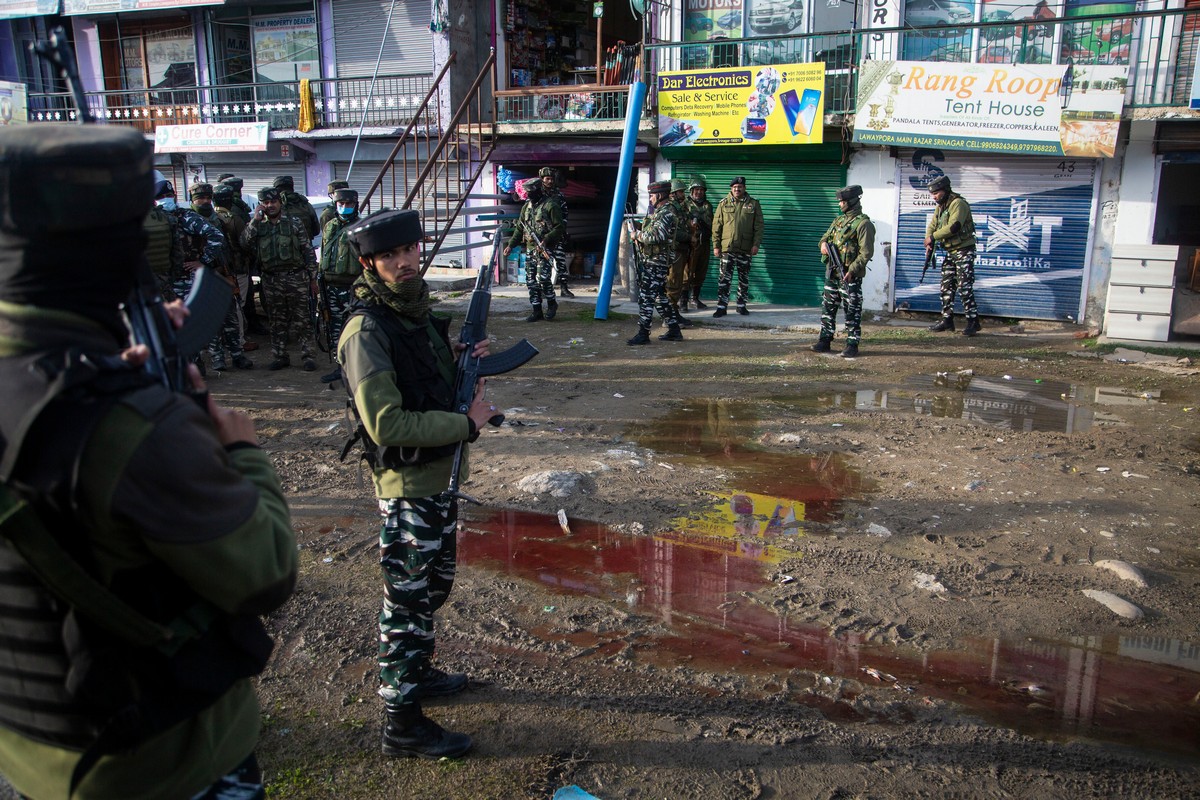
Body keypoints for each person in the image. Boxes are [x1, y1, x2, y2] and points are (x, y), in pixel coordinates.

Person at [0, 124, 296, 800]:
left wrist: (98, 361)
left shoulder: (50, 380)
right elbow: (264, 573)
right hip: (150, 759)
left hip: (27, 745)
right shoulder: (129, 426)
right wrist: (241, 450)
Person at [337, 208, 494, 760]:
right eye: (390, 257)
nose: (405, 263)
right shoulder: (367, 330)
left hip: (438, 480)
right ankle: (400, 721)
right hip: (407, 485)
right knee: (405, 602)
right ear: (368, 263)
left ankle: (418, 674)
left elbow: (423, 376)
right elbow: (387, 423)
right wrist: (465, 424)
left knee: (431, 589)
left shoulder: (415, 313)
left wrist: (457, 359)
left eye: (410, 252)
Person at [241, 186, 319, 371]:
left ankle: (308, 356)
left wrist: (312, 278)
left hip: (296, 277)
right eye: (266, 203)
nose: (270, 206)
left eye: (273, 202)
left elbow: (307, 250)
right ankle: (280, 356)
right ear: (261, 205)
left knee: (302, 319)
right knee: (276, 320)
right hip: (270, 279)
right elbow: (244, 244)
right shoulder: (258, 225)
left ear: (280, 202)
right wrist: (255, 220)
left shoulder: (294, 222)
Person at [191, 182, 252, 371]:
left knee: (231, 317)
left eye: (208, 198)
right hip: (202, 277)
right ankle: (217, 357)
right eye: (201, 198)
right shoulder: (188, 220)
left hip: (224, 273)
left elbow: (229, 247)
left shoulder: (220, 220)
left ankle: (236, 355)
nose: (205, 202)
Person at [812, 185, 875, 359]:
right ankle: (825, 340)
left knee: (852, 310)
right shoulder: (838, 221)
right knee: (828, 308)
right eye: (840, 201)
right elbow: (824, 238)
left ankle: (852, 344)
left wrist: (853, 270)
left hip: (849, 275)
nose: (840, 204)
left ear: (853, 201)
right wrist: (823, 245)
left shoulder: (864, 224)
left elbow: (866, 252)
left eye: (843, 201)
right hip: (832, 273)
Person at [627, 179, 683, 345]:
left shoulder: (666, 213)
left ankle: (643, 333)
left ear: (660, 195)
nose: (650, 198)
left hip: (657, 262)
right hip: (653, 260)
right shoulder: (659, 212)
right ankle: (674, 330)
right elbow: (653, 231)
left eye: (652, 195)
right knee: (660, 298)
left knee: (646, 298)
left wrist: (637, 235)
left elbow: (657, 236)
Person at [925, 174, 980, 336]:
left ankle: (973, 321)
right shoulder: (941, 207)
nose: (934, 197)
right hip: (951, 251)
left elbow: (954, 227)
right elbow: (933, 225)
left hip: (964, 250)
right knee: (946, 286)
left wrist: (933, 237)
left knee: (964, 287)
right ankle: (947, 320)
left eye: (936, 193)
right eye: (932, 194)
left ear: (945, 190)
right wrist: (929, 239)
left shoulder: (958, 204)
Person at [504, 177, 564, 322]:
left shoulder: (551, 205)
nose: (528, 195)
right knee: (530, 280)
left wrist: (547, 239)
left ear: (538, 190)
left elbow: (559, 227)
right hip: (530, 248)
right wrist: (511, 245)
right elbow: (520, 228)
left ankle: (551, 304)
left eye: (531, 192)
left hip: (545, 248)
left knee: (543, 278)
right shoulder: (527, 207)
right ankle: (536, 310)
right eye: (527, 192)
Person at [317, 187, 361, 383]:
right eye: (341, 204)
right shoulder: (330, 226)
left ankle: (357, 369)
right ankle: (339, 367)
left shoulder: (361, 227)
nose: (344, 208)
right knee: (334, 328)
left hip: (353, 287)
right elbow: (324, 253)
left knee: (355, 329)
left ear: (355, 205)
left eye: (348, 204)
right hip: (330, 286)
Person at [711, 176, 764, 317]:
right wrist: (716, 246)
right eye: (734, 187)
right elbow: (716, 226)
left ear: (744, 188)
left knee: (744, 278)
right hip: (727, 248)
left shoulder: (753, 204)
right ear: (731, 189)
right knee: (724, 279)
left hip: (745, 248)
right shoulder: (723, 204)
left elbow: (759, 227)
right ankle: (721, 307)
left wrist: (756, 245)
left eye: (739, 187)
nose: (737, 189)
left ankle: (741, 306)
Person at [539, 167, 574, 298]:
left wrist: (562, 229)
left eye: (552, 179)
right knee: (544, 264)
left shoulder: (558, 195)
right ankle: (544, 289)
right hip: (543, 236)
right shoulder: (537, 195)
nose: (550, 181)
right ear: (542, 179)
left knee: (561, 262)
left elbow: (565, 213)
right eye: (547, 179)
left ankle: (564, 288)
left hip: (557, 233)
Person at [666, 178, 692, 323]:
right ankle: (670, 317)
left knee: (679, 282)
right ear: (673, 193)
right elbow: (673, 232)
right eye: (681, 191)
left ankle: (674, 313)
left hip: (682, 250)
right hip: (674, 251)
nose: (683, 194)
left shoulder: (680, 208)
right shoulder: (671, 208)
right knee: (673, 283)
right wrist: (690, 237)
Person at [685, 176, 713, 310]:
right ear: (691, 191)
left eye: (701, 190)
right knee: (687, 272)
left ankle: (694, 299)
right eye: (696, 189)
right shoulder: (685, 204)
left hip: (705, 242)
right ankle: (683, 301)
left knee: (701, 271)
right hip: (691, 242)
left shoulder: (708, 205)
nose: (699, 192)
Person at [273, 175, 320, 241]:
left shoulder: (274, 207)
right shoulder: (305, 204)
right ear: (292, 188)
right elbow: (316, 231)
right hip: (306, 248)